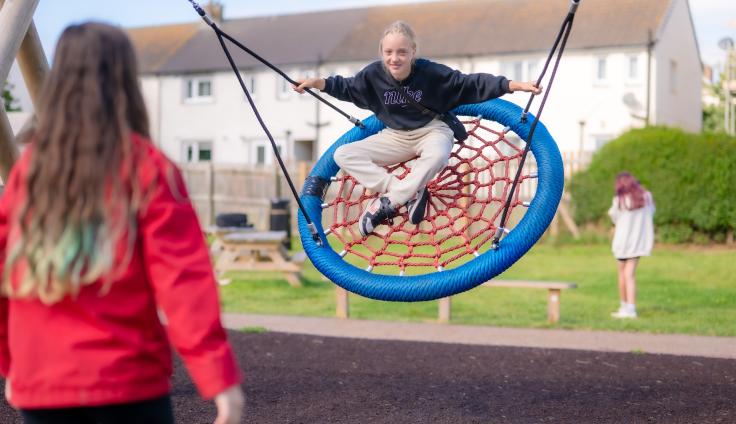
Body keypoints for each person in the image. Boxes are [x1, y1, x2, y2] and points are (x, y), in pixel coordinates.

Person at [0, 23, 244, 423]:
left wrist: (11, 364)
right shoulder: (148, 168)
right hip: (127, 380)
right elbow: (182, 281)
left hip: (43, 381)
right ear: (124, 81)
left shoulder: (29, 171)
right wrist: (220, 381)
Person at [294, 20, 542, 236]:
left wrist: (513, 85)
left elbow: (471, 84)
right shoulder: (372, 76)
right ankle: (409, 193)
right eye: (388, 52)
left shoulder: (431, 73)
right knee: (343, 154)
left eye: (402, 52)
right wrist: (317, 82)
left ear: (413, 52)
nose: (394, 58)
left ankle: (388, 202)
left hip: (432, 130)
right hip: (396, 136)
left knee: (437, 154)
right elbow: (344, 87)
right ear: (381, 52)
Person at [607, 172, 655, 319]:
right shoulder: (646, 197)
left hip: (622, 243)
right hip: (638, 242)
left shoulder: (620, 200)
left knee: (624, 274)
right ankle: (629, 308)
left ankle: (627, 308)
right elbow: (652, 213)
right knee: (630, 274)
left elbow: (613, 217)